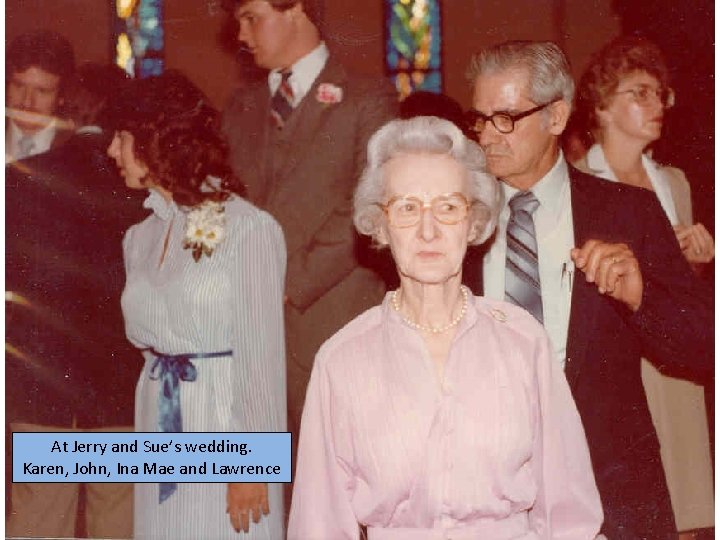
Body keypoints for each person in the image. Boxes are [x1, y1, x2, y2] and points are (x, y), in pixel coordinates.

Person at [288, 116, 603, 539]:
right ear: (380, 226)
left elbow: (570, 518)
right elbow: (319, 525)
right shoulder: (342, 361)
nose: (428, 230)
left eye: (448, 207)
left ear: (474, 224)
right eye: (407, 208)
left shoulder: (523, 342)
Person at [464, 40, 713, 539]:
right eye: (480, 119)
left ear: (557, 116)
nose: (488, 136)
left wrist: (641, 298)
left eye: (506, 118)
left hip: (611, 488)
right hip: (485, 487)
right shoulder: (458, 220)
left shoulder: (629, 212)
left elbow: (703, 344)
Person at [108, 70, 287, 539]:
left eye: (121, 137)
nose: (111, 151)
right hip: (157, 419)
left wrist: (255, 466)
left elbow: (262, 359)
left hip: (224, 423)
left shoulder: (246, 229)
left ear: (155, 140)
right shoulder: (139, 237)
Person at [221, 0, 398, 447]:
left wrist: (288, 282)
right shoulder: (241, 105)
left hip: (331, 321)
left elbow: (370, 198)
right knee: (261, 487)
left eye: (251, 19)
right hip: (249, 333)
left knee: (339, 482)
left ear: (295, 10)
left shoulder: (367, 97)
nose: (242, 36)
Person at [575, 36, 714, 538]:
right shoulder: (577, 180)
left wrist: (696, 265)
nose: (657, 106)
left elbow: (686, 299)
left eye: (661, 95)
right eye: (640, 93)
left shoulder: (674, 183)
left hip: (671, 365)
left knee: (684, 507)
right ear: (603, 106)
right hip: (616, 362)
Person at [5, 63, 146, 540]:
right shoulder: (138, 187)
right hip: (117, 384)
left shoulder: (19, 177)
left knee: (40, 522)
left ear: (66, 106)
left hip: (42, 384)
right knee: (117, 519)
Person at [6, 30, 75, 162]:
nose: (27, 102)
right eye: (19, 86)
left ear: (61, 96)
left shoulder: (78, 153)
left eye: (42, 91)